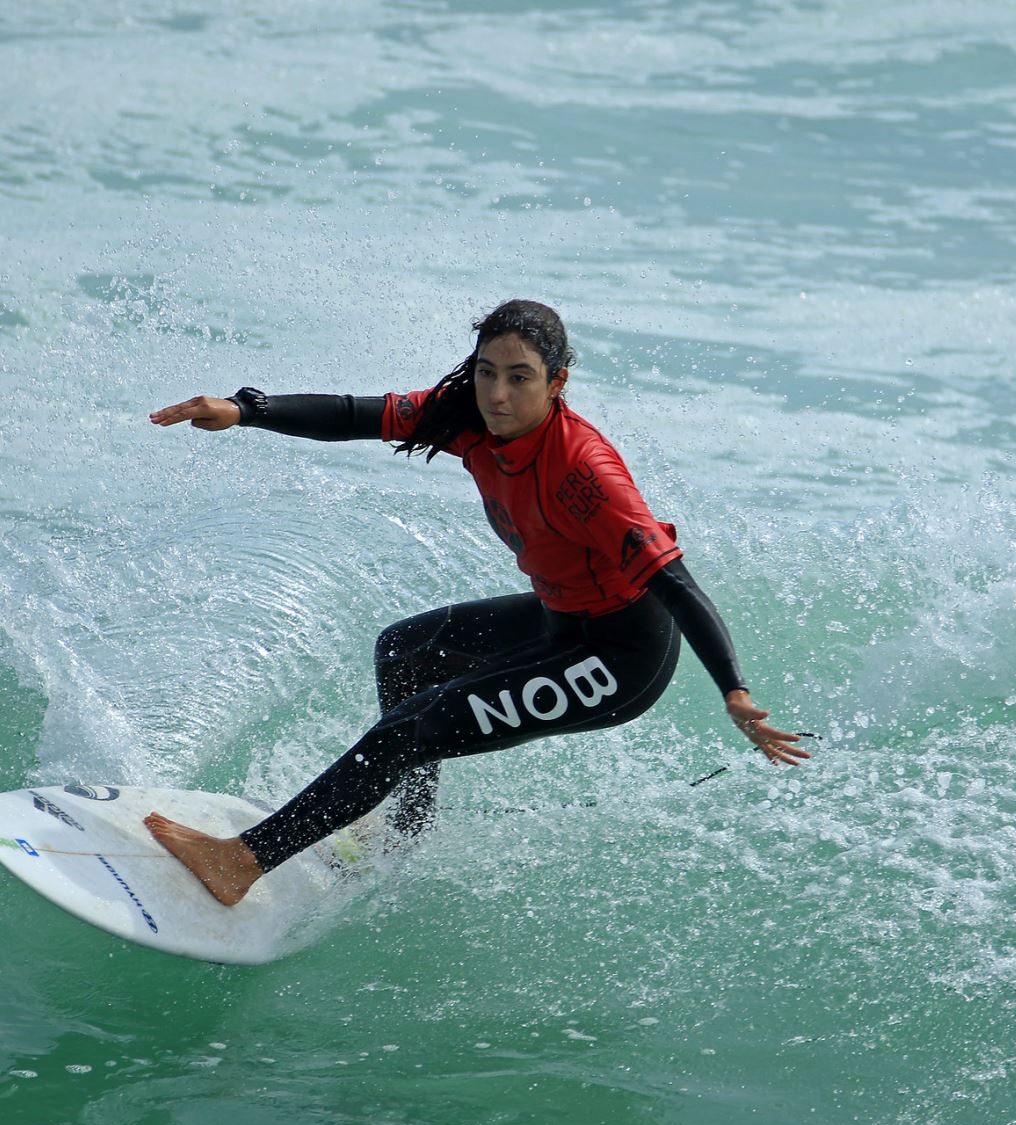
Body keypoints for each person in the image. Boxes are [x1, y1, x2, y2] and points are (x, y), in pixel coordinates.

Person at [142, 299, 807, 906]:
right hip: (560, 618)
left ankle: (243, 862)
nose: (497, 394)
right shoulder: (467, 418)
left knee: (404, 732)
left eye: (519, 377)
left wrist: (734, 692)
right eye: (487, 372)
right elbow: (356, 415)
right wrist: (247, 410)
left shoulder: (586, 473)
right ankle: (403, 837)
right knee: (405, 653)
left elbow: (676, 583)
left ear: (557, 383)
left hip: (619, 657)